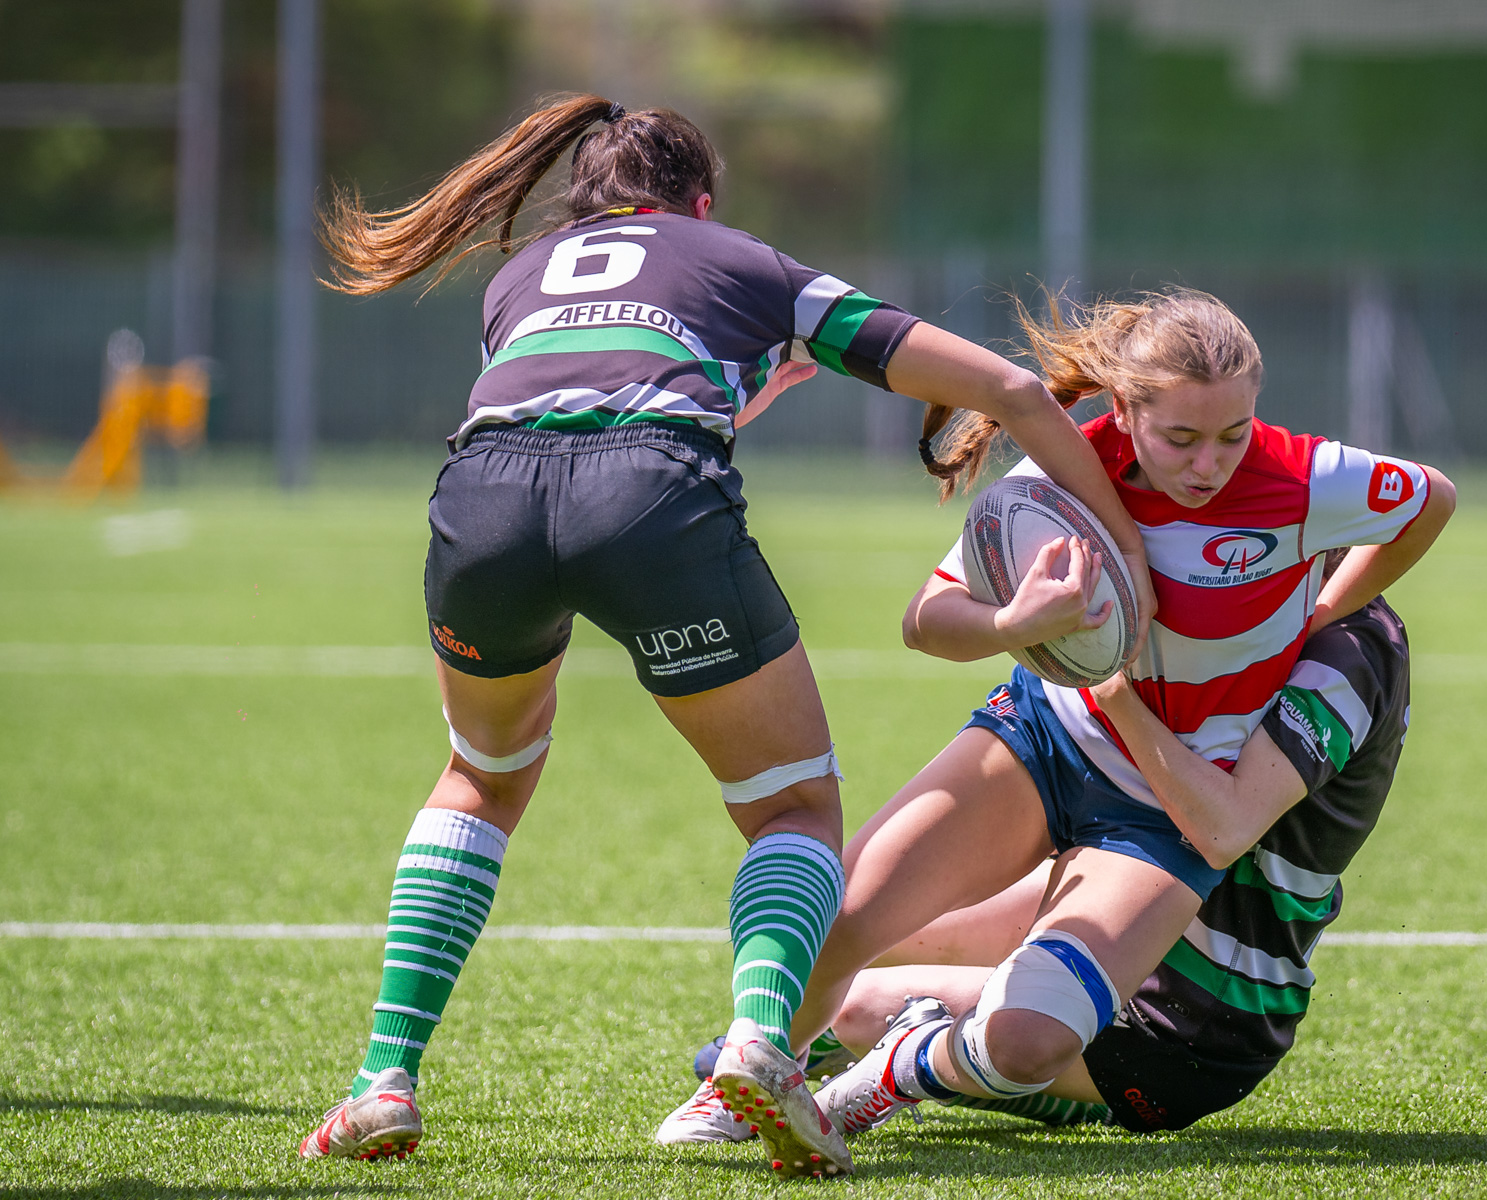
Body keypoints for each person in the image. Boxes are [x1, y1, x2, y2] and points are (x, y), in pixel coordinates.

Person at [293, 94, 1153, 1181]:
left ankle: (382, 1080)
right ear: (698, 202)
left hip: (483, 499)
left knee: (480, 777)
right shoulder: (742, 259)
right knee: (793, 807)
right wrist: (1125, 546)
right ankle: (760, 1042)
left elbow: (582, 402)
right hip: (650, 499)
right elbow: (1012, 389)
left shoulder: (522, 278)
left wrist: (730, 391)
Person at [747, 288, 1452, 1141]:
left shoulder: (1303, 477)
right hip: (1045, 740)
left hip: (1163, 805)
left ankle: (897, 1068)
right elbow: (923, 621)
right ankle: (741, 1091)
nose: (1210, 464)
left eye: (1232, 434)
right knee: (844, 916)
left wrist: (1331, 606)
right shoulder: (1066, 474)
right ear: (1125, 409)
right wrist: (1015, 625)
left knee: (1026, 1038)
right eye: (1181, 439)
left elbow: (1430, 499)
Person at [820, 549, 1412, 1133]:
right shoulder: (1220, 580)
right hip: (1119, 880)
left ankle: (911, 1066)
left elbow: (1222, 829)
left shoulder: (1351, 653)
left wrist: (1110, 687)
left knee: (865, 1008)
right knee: (869, 922)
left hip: (1188, 1015)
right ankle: (763, 1056)